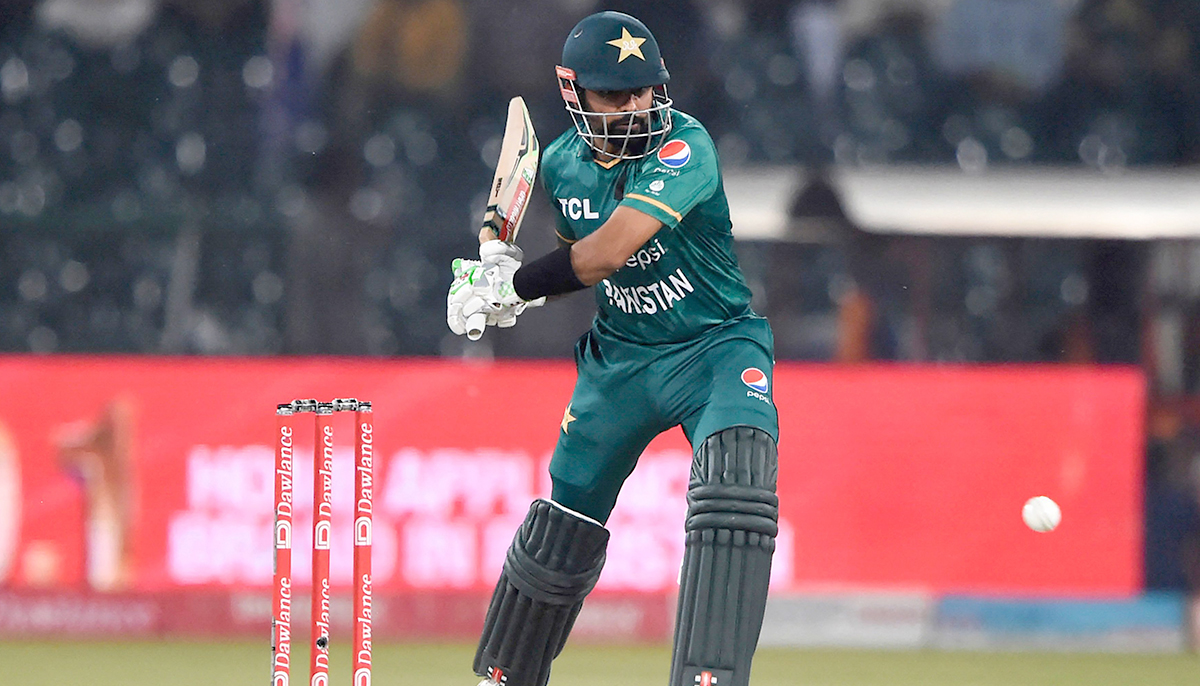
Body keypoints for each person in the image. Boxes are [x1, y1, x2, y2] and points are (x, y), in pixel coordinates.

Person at [446, 11, 779, 686]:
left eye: (646, 91)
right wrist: (493, 279)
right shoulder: (565, 166)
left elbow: (604, 254)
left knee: (735, 481)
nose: (636, 107)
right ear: (576, 95)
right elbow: (575, 261)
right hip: (620, 361)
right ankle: (506, 675)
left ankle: (708, 678)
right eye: (616, 95)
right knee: (563, 517)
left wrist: (517, 285)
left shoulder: (686, 147)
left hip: (713, 349)